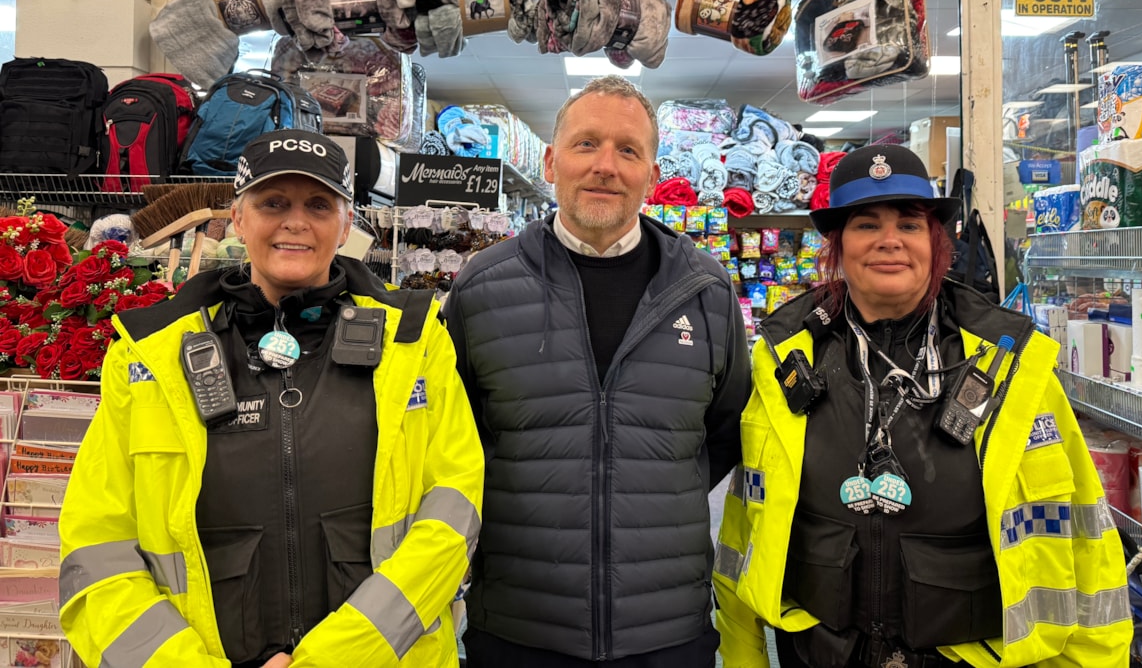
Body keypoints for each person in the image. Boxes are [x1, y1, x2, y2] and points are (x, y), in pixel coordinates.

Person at [59, 129, 484, 668]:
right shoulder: (149, 356)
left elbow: (452, 511)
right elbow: (97, 544)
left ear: (346, 223)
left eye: (319, 204)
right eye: (273, 202)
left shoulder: (415, 343)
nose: (295, 222)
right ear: (238, 218)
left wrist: (336, 659)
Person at [714, 144, 1132, 668]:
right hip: (820, 654)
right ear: (838, 246)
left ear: (936, 244)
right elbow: (745, 524)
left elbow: (1083, 539)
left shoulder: (1009, 365)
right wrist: (741, 656)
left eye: (909, 225)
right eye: (866, 225)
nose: (889, 241)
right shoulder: (784, 360)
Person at [442, 75, 751, 667]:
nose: (606, 166)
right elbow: (458, 440)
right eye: (586, 145)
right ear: (553, 162)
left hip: (665, 629)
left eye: (628, 150)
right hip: (519, 628)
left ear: (652, 175)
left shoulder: (705, 289)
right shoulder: (483, 286)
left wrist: (647, 486)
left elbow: (725, 429)